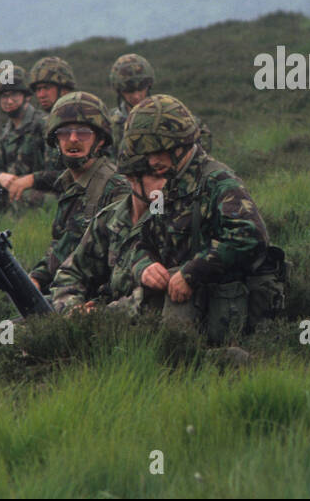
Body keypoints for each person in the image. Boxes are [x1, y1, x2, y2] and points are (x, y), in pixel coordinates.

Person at [51, 95, 283, 342]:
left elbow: (251, 236)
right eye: (147, 154)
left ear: (181, 146)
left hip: (218, 309)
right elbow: (145, 236)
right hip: (167, 304)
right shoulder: (169, 182)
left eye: (158, 152)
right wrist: (144, 266)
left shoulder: (218, 182)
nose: (152, 161)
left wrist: (193, 272)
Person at [27, 91, 128, 293]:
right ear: (56, 141)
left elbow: (123, 261)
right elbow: (63, 244)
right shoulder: (68, 184)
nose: (73, 139)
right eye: (64, 132)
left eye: (83, 132)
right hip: (66, 289)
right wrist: (37, 277)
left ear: (99, 140)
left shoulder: (116, 188)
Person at [3, 55, 78, 203]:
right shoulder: (42, 123)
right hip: (54, 190)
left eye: (46, 88)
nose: (41, 95)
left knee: (24, 198)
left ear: (64, 89)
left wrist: (33, 179)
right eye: (37, 89)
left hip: (77, 195)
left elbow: (79, 172)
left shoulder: (79, 121)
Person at [107, 53, 212, 157]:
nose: (136, 96)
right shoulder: (109, 123)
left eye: (141, 88)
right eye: (129, 90)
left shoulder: (168, 113)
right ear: (119, 91)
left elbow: (203, 138)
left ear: (149, 86)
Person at [0, 64, 49, 212]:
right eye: (4, 96)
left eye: (14, 95)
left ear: (26, 96)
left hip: (40, 191)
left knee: (24, 197)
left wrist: (30, 180)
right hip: (11, 191)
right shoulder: (7, 131)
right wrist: (0, 177)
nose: (9, 101)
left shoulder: (44, 125)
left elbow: (58, 172)